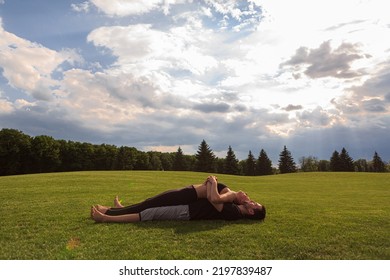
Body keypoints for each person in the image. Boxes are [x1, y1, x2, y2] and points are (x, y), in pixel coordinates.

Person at [91, 176, 266, 223]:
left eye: (253, 203)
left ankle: (108, 214)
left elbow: (214, 199)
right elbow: (214, 199)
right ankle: (116, 209)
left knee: (148, 210)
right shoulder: (232, 200)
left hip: (186, 205)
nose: (250, 199)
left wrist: (212, 182)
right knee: (149, 204)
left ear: (251, 211)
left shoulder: (233, 208)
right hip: (187, 199)